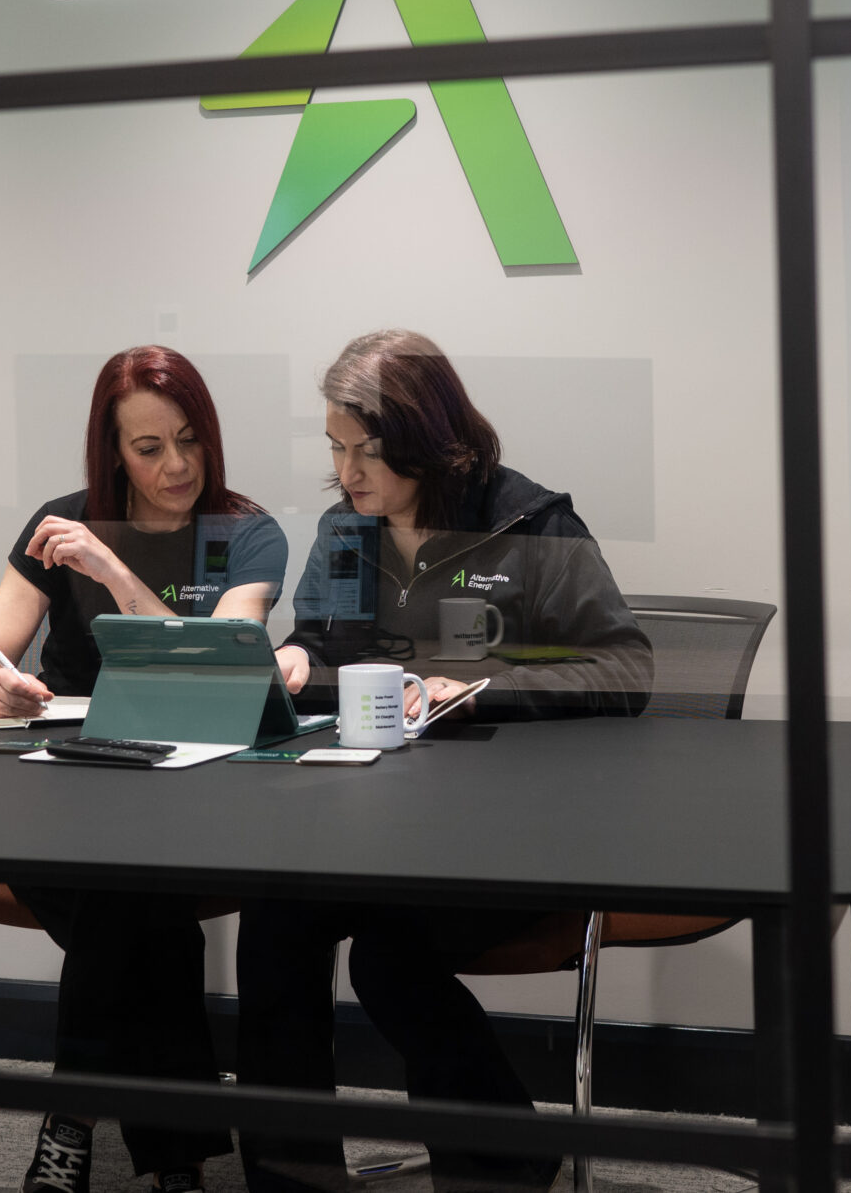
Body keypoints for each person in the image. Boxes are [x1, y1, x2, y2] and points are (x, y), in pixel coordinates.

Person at [240, 330, 651, 1193]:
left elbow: (625, 666)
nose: (348, 473)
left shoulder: (528, 522)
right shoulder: (348, 531)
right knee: (275, 924)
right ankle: (292, 1178)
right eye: (336, 449)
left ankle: (499, 1161)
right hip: (375, 825)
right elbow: (319, 640)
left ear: (427, 439)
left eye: (368, 450)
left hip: (507, 832)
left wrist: (471, 686)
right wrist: (294, 660)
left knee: (388, 957)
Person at [0, 346, 289, 1193]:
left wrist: (111, 570)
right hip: (59, 794)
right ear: (112, 451)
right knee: (148, 912)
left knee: (128, 892)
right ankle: (175, 1160)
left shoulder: (244, 533)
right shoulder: (56, 522)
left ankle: (70, 1114)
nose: (176, 465)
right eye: (150, 448)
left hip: (191, 802)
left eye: (189, 440)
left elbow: (220, 668)